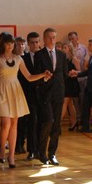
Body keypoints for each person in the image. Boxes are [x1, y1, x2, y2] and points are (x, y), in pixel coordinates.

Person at [0, 33, 48, 167]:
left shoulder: (18, 59)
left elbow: (29, 77)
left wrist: (43, 75)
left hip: (15, 90)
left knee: (14, 123)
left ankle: (11, 155)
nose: (10, 46)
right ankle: (2, 149)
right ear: (3, 44)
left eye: (11, 43)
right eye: (7, 43)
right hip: (2, 91)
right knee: (6, 123)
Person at [34, 28, 68, 165]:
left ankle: (52, 153)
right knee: (48, 122)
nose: (52, 40)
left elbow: (64, 74)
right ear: (44, 39)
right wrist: (44, 79)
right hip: (45, 94)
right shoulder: (39, 55)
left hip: (58, 93)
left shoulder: (61, 55)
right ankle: (41, 152)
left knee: (56, 125)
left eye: (54, 37)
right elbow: (36, 75)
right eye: (49, 37)